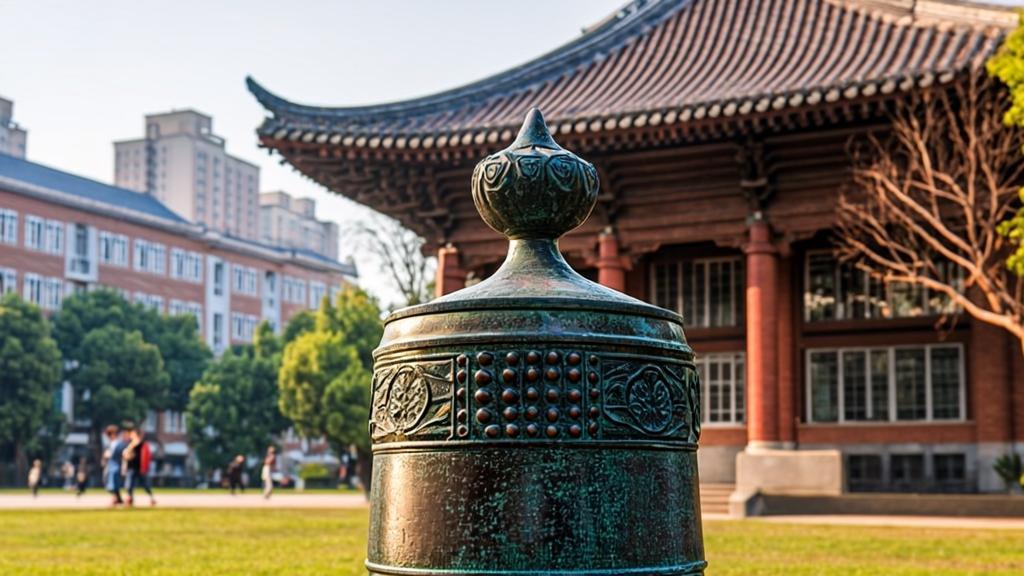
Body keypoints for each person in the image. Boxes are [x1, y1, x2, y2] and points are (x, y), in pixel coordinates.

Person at [123, 428, 156, 507]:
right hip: (131, 467)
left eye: (132, 434)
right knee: (129, 484)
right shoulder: (131, 444)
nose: (131, 435)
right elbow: (126, 455)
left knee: (144, 484)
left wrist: (144, 468)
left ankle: (151, 498)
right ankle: (130, 499)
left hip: (140, 468)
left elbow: (147, 457)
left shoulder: (143, 444)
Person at [102, 424, 125, 507]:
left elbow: (123, 455)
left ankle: (115, 499)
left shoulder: (121, 444)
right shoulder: (109, 444)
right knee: (108, 482)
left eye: (109, 434)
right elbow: (106, 454)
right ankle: (118, 499)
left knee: (113, 483)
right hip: (110, 465)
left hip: (117, 466)